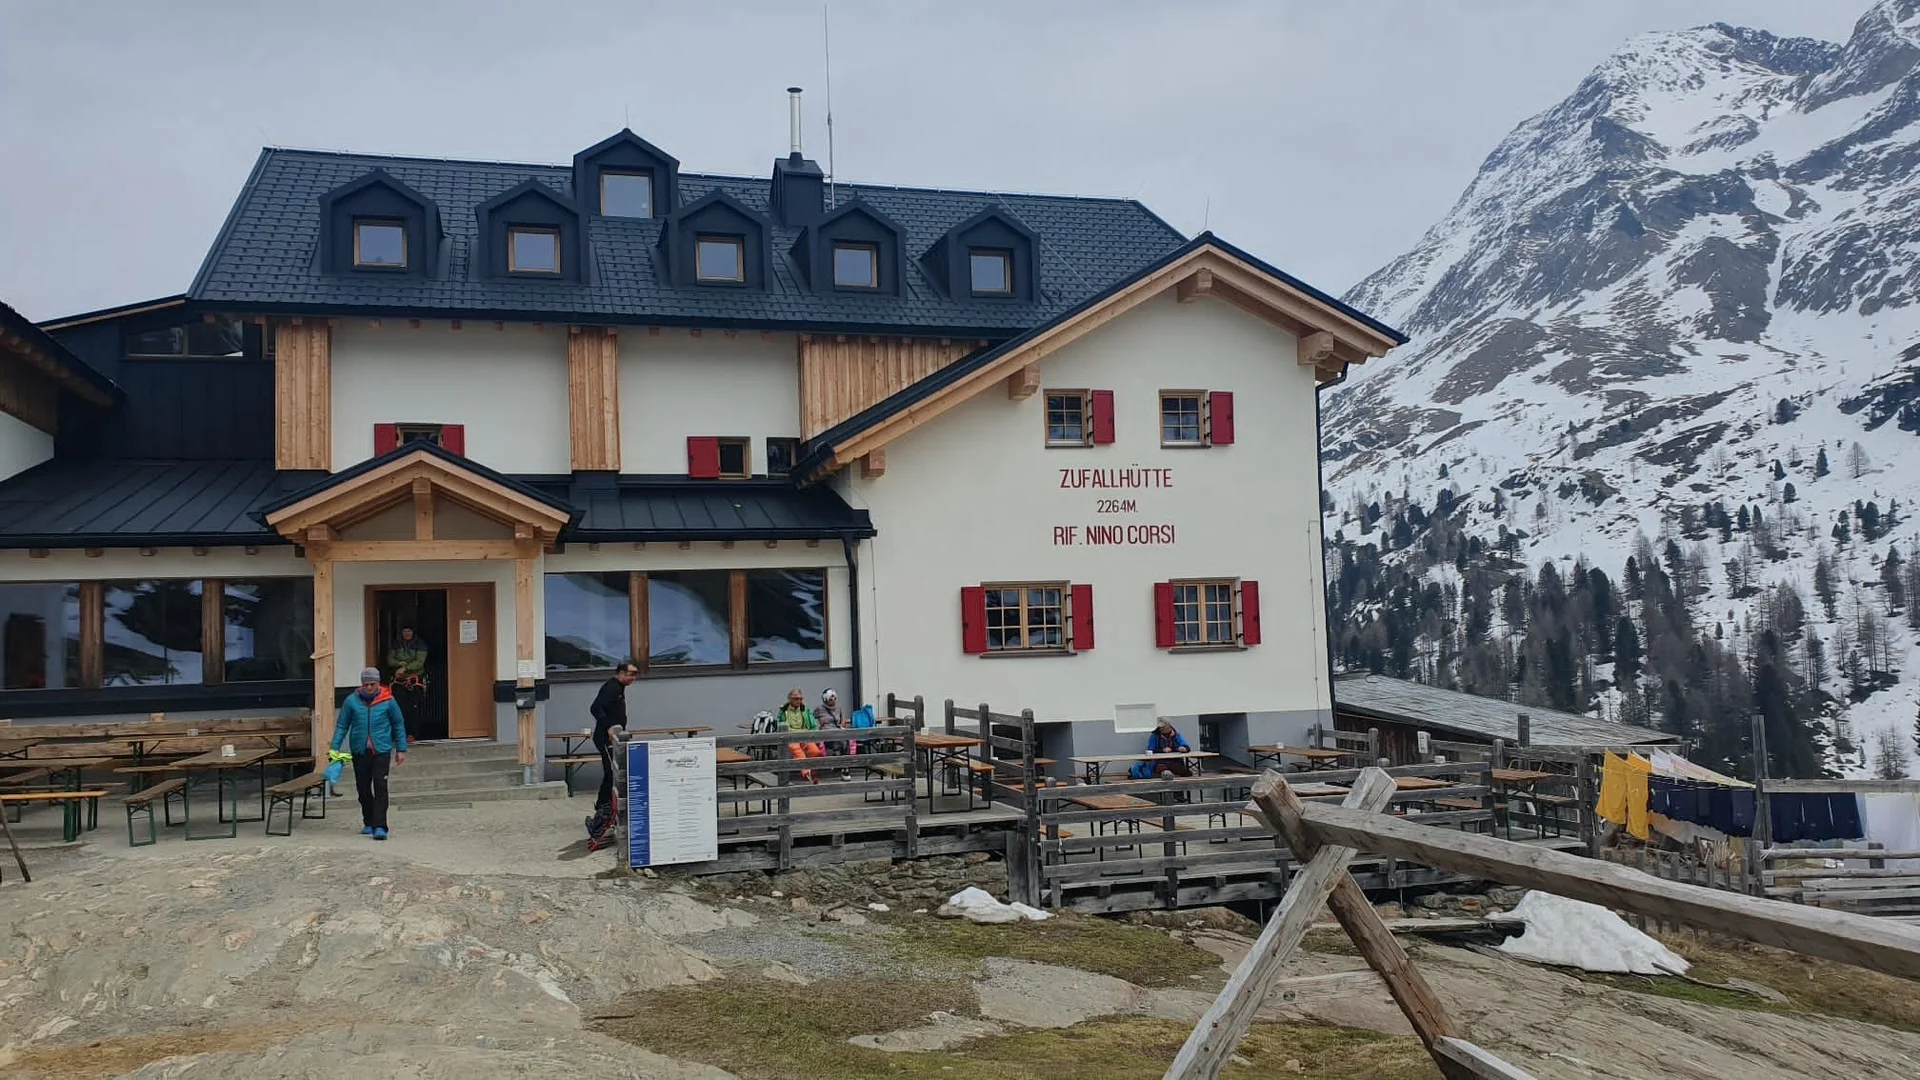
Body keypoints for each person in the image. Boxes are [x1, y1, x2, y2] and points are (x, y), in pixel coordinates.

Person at [331, 666, 408, 839]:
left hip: (381, 749)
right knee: (363, 788)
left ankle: (380, 826)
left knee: (380, 787)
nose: (369, 688)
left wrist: (401, 749)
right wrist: (334, 747)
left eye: (372, 684)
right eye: (366, 684)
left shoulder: (388, 700)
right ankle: (369, 821)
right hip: (360, 750)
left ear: (378, 683)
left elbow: (398, 723)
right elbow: (342, 725)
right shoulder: (351, 701)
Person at [590, 661, 640, 814]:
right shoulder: (611, 687)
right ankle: (603, 805)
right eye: (631, 674)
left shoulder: (619, 688)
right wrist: (609, 726)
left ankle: (608, 804)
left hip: (617, 737)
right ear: (621, 673)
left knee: (615, 772)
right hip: (606, 738)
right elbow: (595, 708)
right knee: (611, 772)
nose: (634, 678)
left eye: (635, 675)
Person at [387, 626, 429, 741]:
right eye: (404, 631)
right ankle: (400, 734)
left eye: (409, 631)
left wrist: (404, 668)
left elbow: (420, 662)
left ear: (413, 632)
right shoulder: (396, 644)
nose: (407, 633)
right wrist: (400, 663)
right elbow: (390, 660)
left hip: (415, 681)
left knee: (414, 708)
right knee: (399, 708)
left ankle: (413, 733)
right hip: (399, 682)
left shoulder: (420, 644)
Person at [777, 688, 825, 781]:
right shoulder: (783, 711)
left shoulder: (805, 710)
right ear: (790, 699)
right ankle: (806, 774)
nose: (799, 701)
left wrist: (813, 735)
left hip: (804, 736)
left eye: (800, 698)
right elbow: (779, 725)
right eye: (796, 699)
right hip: (790, 737)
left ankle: (813, 773)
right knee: (798, 752)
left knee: (816, 752)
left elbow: (813, 725)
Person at [1129, 719, 1194, 779]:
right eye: (1160, 727)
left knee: (1185, 772)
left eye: (1163, 727)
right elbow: (1150, 750)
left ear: (1168, 726)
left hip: (1175, 761)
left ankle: (1178, 789)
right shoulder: (1154, 736)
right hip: (1160, 762)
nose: (1161, 729)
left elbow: (1187, 747)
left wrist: (1183, 749)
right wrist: (1162, 750)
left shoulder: (1176, 735)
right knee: (1161, 769)